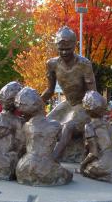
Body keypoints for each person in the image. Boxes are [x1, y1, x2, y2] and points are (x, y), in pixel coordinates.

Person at [41, 26, 97, 161]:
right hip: (68, 104)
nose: (64, 52)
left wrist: (96, 114)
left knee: (68, 126)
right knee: (45, 123)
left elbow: (92, 92)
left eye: (68, 49)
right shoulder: (52, 64)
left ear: (74, 45)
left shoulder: (84, 64)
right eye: (61, 49)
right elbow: (50, 90)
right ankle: (41, 153)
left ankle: (54, 158)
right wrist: (35, 105)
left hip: (83, 105)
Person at [15, 87, 73, 186]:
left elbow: (21, 148)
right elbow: (62, 142)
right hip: (45, 167)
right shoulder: (54, 125)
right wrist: (67, 130)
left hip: (23, 167)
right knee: (68, 175)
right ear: (40, 104)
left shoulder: (26, 126)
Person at [81, 91, 112, 185]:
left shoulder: (89, 127)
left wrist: (82, 165)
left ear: (86, 109)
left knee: (88, 169)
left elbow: (93, 153)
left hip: (107, 163)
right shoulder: (108, 124)